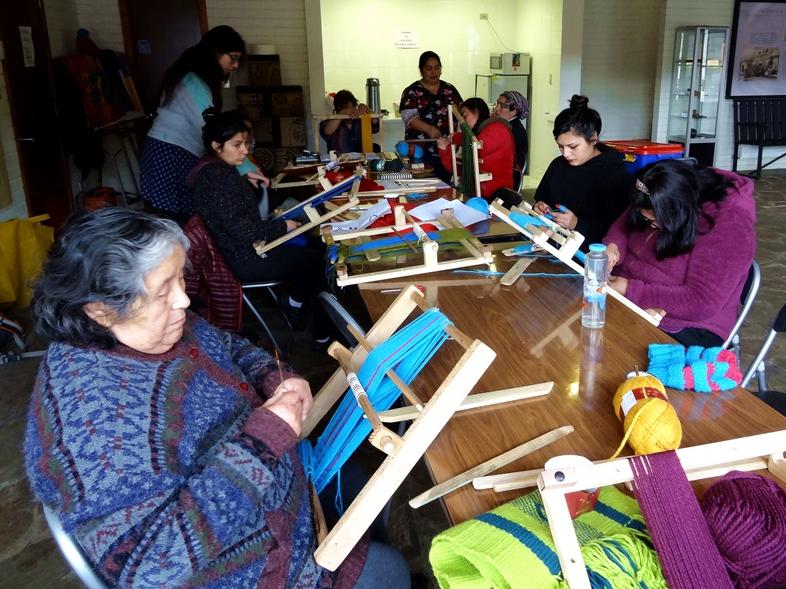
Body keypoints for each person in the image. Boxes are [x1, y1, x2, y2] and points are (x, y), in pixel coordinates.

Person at [24, 207, 411, 589]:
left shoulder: (146, 327)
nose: (184, 301)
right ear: (101, 310)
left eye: (180, 278)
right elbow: (153, 563)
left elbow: (222, 343)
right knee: (388, 569)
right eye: (164, 290)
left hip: (280, 495)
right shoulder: (97, 422)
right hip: (253, 569)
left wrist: (271, 376)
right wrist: (265, 437)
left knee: (358, 483)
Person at [188, 110, 333, 344]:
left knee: (314, 248)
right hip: (244, 258)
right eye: (237, 145)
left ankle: (296, 303)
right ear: (217, 145)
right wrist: (283, 226)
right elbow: (245, 231)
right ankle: (320, 333)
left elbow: (238, 218)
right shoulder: (218, 178)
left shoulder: (216, 171)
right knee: (318, 260)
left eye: (245, 143)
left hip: (243, 249)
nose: (244, 151)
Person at [603, 160, 756, 348]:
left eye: (656, 219)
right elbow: (623, 224)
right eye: (645, 216)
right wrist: (612, 246)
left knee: (608, 349)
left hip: (690, 325)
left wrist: (631, 290)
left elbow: (702, 301)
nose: (650, 224)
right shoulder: (660, 192)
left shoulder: (730, 227)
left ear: (679, 210)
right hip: (635, 299)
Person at [139, 25, 265, 221]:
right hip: (169, 155)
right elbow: (215, 129)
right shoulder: (192, 82)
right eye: (233, 58)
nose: (236, 65)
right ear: (215, 53)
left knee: (182, 220)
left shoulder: (198, 79)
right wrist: (245, 167)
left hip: (174, 152)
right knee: (175, 221)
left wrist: (244, 164)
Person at [533, 94, 632, 249]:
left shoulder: (614, 174)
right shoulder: (558, 165)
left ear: (593, 138)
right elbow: (542, 200)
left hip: (587, 254)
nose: (565, 154)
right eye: (560, 146)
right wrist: (540, 206)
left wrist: (577, 224)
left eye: (573, 147)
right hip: (551, 244)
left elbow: (619, 231)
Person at [399, 51, 463, 180]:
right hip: (420, 150)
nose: (433, 72)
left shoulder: (449, 90)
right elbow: (409, 118)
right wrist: (429, 129)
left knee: (445, 185)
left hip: (446, 150)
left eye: (437, 68)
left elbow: (461, 113)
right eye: (429, 69)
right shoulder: (412, 91)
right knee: (423, 186)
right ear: (421, 70)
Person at [437, 97, 514, 201]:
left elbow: (479, 145)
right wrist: (444, 150)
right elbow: (459, 171)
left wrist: (456, 137)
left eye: (465, 116)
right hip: (477, 193)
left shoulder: (498, 128)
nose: (463, 122)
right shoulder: (475, 135)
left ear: (477, 112)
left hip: (496, 196)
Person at [494, 90, 529, 190]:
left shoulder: (515, 130)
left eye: (502, 106)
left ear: (514, 111)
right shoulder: (504, 125)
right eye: (497, 104)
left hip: (507, 180)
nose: (496, 108)